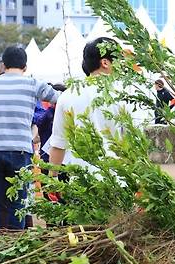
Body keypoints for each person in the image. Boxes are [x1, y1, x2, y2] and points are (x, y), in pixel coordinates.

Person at [0, 46, 58, 229]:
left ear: (3, 65)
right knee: (18, 205)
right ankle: (15, 249)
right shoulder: (32, 83)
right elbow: (59, 98)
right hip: (20, 151)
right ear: (25, 67)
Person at [48, 38, 122, 173]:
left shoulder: (68, 95)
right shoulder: (123, 93)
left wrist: (53, 179)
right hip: (121, 177)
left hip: (82, 180)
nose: (123, 65)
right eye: (119, 60)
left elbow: (58, 144)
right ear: (105, 62)